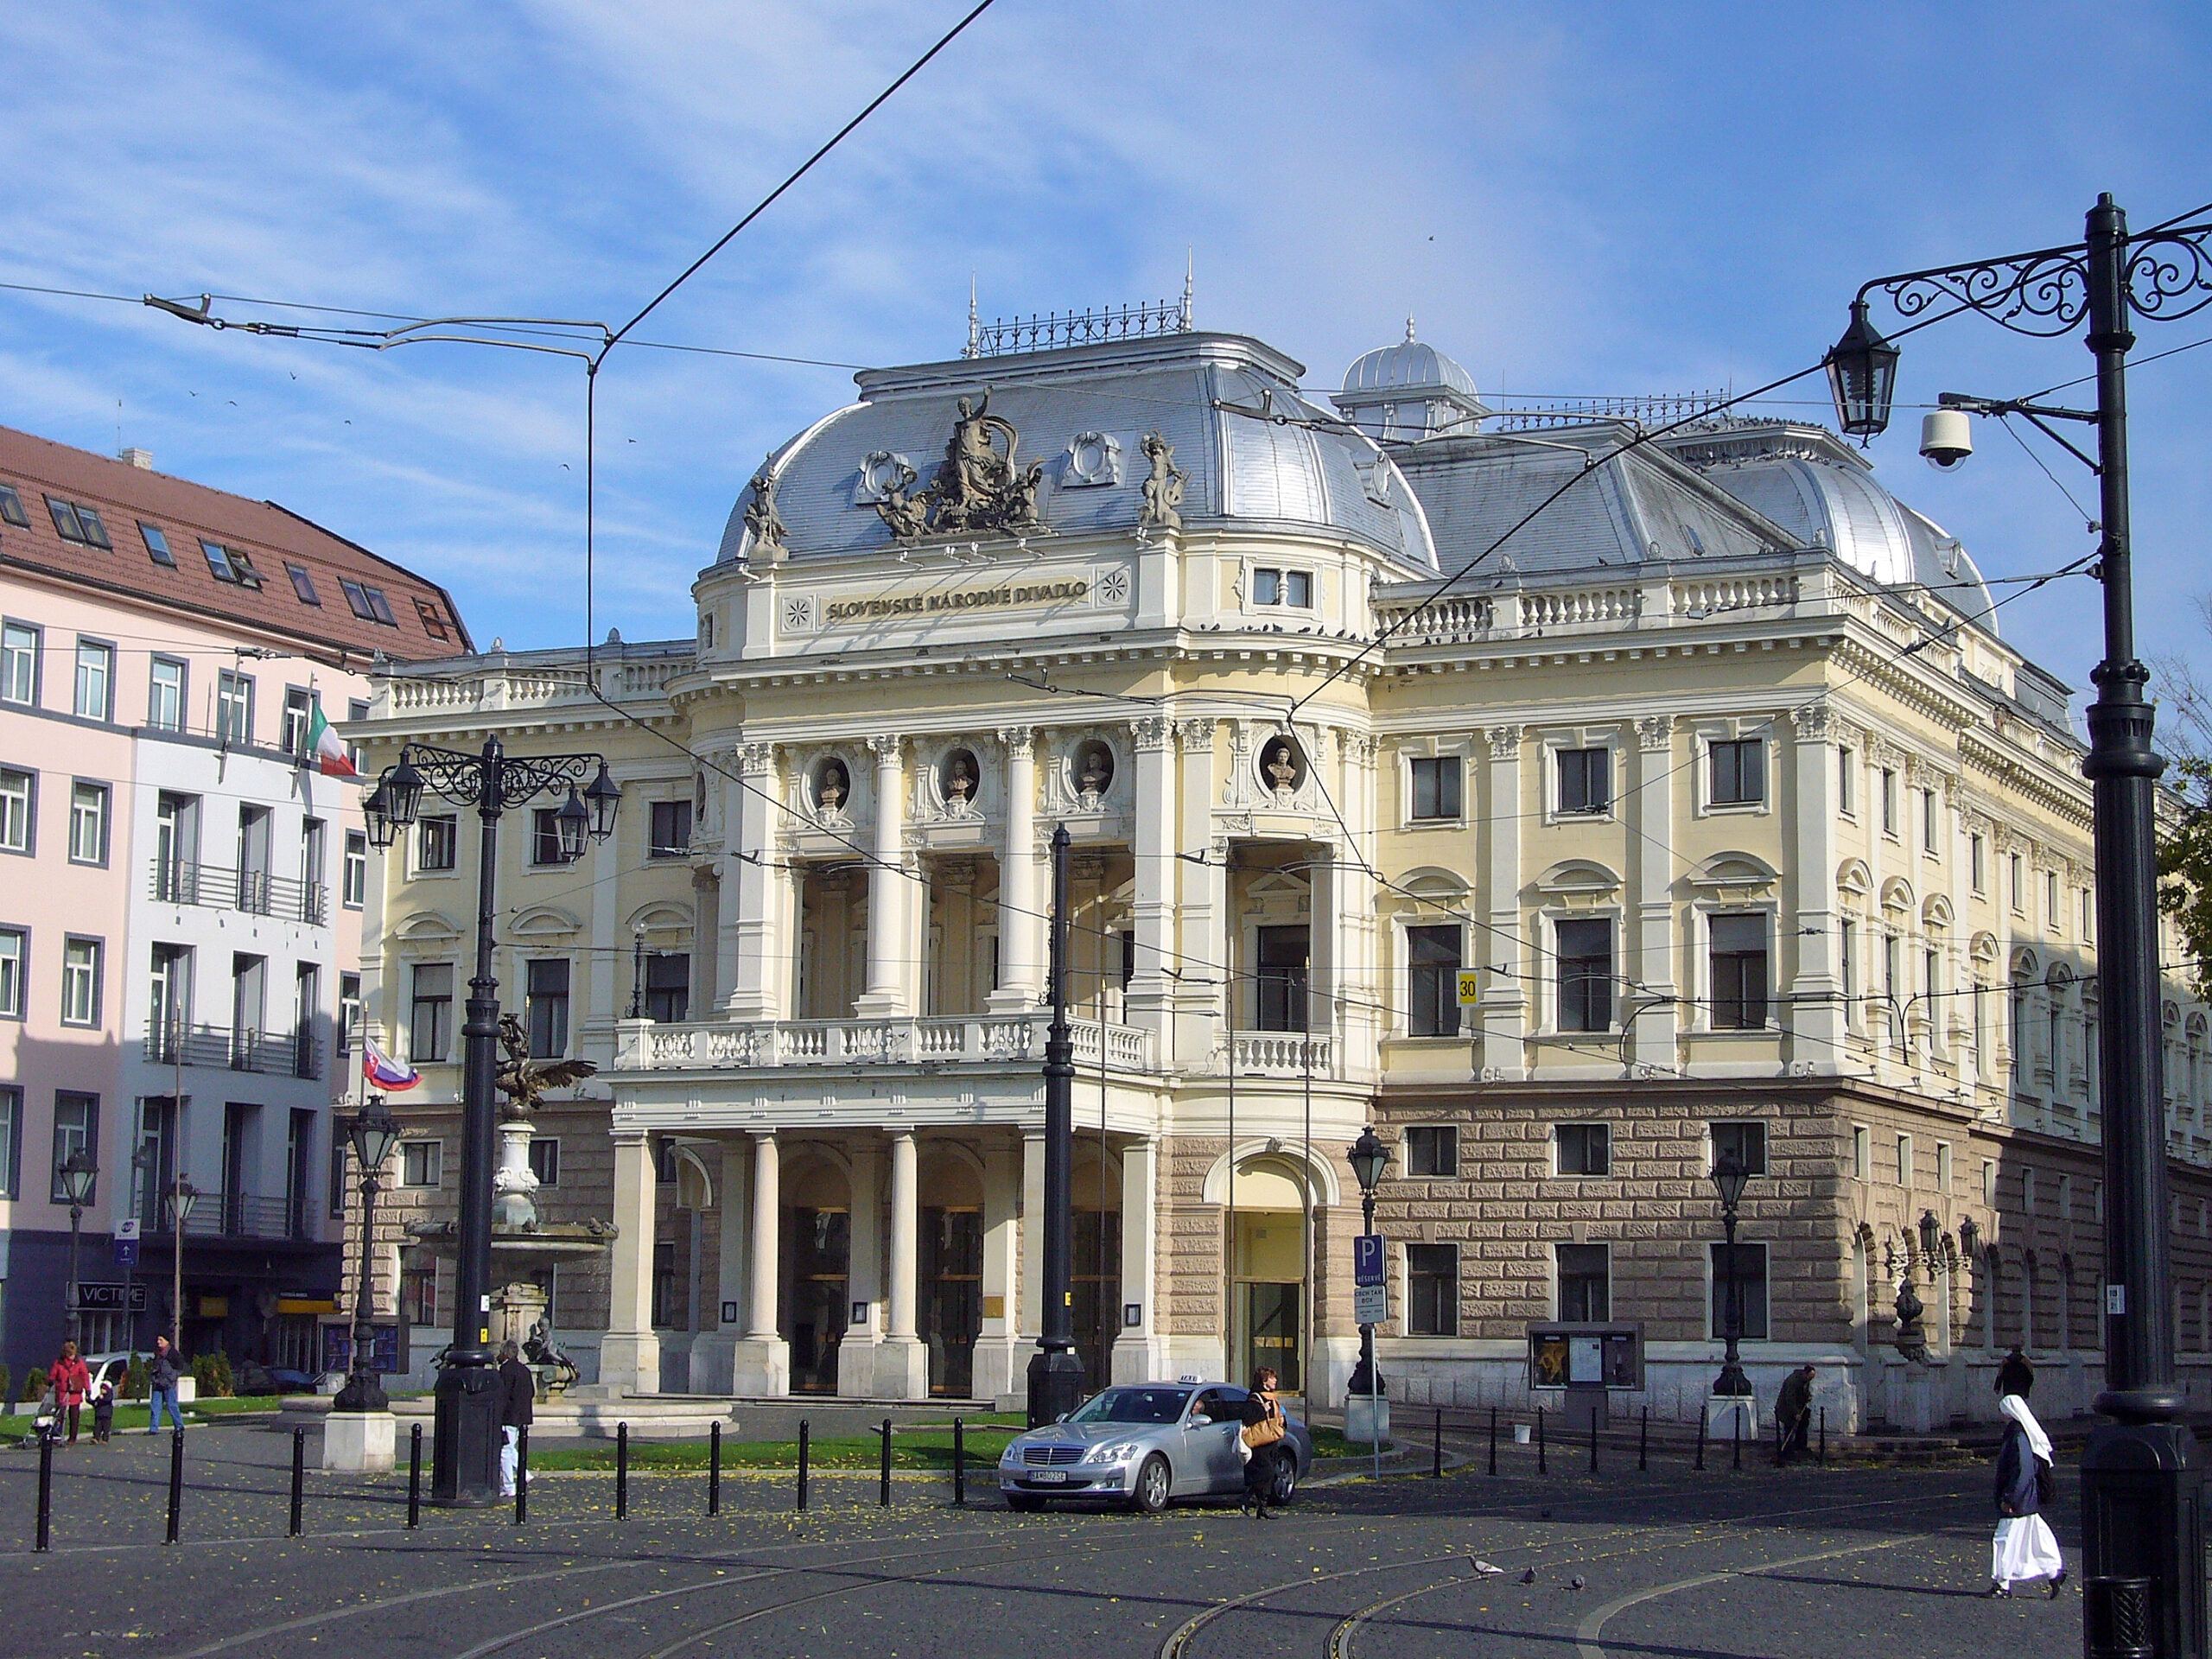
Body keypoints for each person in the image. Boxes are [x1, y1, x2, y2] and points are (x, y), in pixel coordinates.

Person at [1989, 1392, 2066, 1599]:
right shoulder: (2023, 1434)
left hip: (2019, 1499)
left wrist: (2010, 1499)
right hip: (2027, 1499)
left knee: (2003, 1539)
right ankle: (2054, 1573)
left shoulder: (2017, 1436)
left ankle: (2002, 1585)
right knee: (2037, 1537)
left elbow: (2021, 1471)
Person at [1238, 1367, 1288, 1519]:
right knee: (1265, 1472)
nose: (1275, 1381)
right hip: (1260, 1442)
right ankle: (1246, 1497)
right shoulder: (1255, 1397)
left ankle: (1262, 1509)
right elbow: (1247, 1417)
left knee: (1268, 1473)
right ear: (1264, 1380)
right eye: (1272, 1378)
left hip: (1270, 1440)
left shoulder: (1271, 1396)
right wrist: (1262, 1409)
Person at [498, 1340, 536, 1500]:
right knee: (511, 1448)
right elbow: (532, 1392)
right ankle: (524, 1473)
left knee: (505, 1451)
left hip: (509, 1416)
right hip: (523, 1416)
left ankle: (509, 1485)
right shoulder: (524, 1370)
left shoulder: (506, 1370)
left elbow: (503, 1394)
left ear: (505, 1354)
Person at [47, 1343, 91, 1446]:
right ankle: (57, 1435)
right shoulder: (59, 1362)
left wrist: (87, 1389)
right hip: (62, 1392)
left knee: (74, 1417)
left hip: (75, 1392)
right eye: (69, 1354)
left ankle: (72, 1438)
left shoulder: (79, 1362)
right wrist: (51, 1380)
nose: (72, 1356)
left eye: (73, 1354)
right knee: (60, 1415)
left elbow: (85, 1375)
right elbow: (54, 1373)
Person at [1775, 1364, 1817, 1464]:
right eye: (1810, 1377)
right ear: (1805, 1374)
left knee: (1803, 1424)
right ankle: (1787, 1451)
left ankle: (1800, 1446)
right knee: (1789, 1428)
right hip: (1787, 1409)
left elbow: (1804, 1393)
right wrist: (1795, 1413)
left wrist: (1808, 1396)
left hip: (1799, 1407)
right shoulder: (1793, 1381)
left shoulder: (1805, 1381)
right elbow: (1790, 1399)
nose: (1810, 1380)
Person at [147, 1336, 185, 1434]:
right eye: (158, 1339)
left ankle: (179, 1426)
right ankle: (153, 1428)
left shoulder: (173, 1353)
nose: (158, 1342)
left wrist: (172, 1377)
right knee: (155, 1406)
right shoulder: (158, 1353)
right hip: (157, 1382)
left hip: (168, 1383)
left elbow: (180, 1366)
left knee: (172, 1405)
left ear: (167, 1341)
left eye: (161, 1340)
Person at [91, 1378, 116, 1444]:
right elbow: (95, 1402)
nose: (102, 1390)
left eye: (104, 1389)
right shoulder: (99, 1397)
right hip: (99, 1414)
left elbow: (107, 1400)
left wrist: (101, 1400)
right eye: (102, 1389)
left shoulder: (108, 1397)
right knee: (97, 1427)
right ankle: (96, 1438)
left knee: (106, 1428)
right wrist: (90, 1400)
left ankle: (105, 1439)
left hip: (106, 1415)